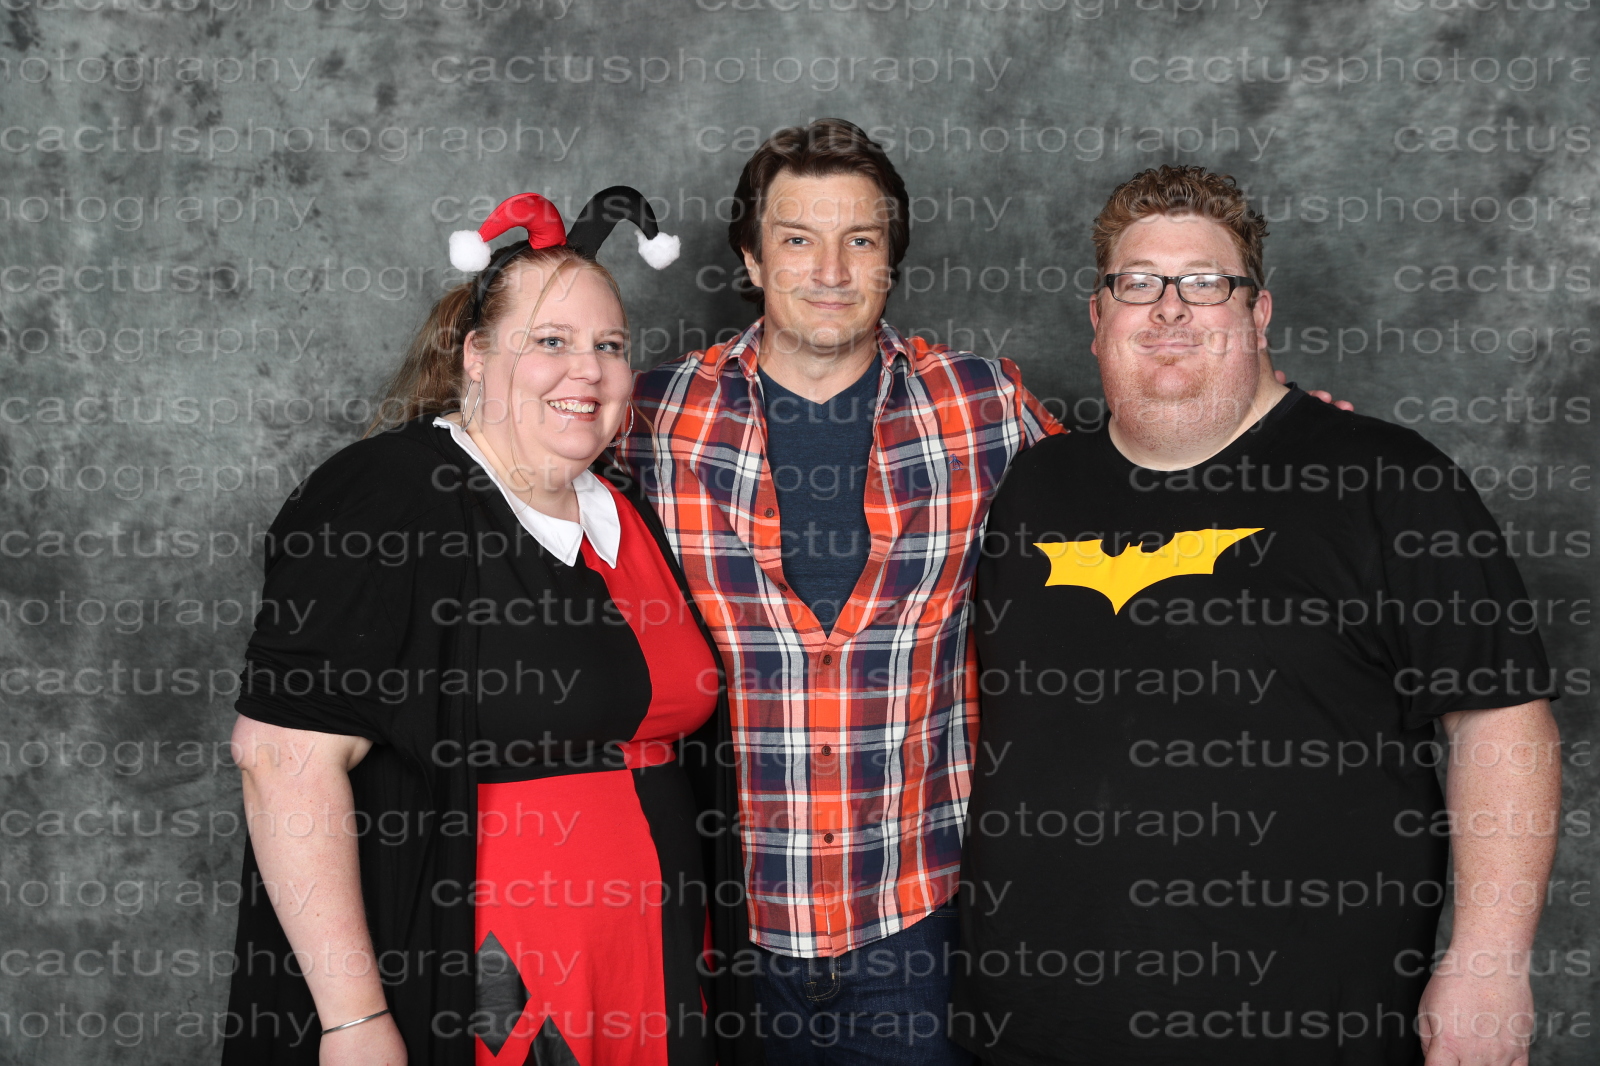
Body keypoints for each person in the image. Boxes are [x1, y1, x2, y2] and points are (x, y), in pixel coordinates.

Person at [616, 121, 1346, 1064]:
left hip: (921, 932)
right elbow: (519, 484)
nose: (830, 270)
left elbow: (1137, 485)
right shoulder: (650, 417)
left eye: (861, 240)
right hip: (719, 929)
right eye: (798, 239)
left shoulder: (981, 406)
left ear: (891, 260)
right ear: (753, 260)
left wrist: (1272, 433)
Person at [954, 164, 1562, 1066]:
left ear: (1259, 313)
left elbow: (1499, 720)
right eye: (1138, 283)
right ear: (1098, 316)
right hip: (1034, 1024)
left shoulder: (1387, 480)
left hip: (1305, 1024)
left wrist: (1490, 962)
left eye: (1206, 283)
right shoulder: (1034, 487)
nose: (1169, 309)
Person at [223, 188, 752, 1066]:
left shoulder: (625, 511)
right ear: (475, 356)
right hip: (491, 985)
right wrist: (353, 1021)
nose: (587, 371)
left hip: (653, 965)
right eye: (550, 342)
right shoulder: (388, 496)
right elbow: (282, 760)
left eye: (609, 346)